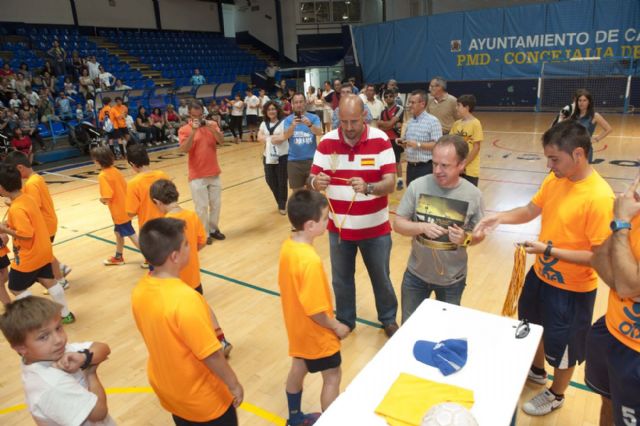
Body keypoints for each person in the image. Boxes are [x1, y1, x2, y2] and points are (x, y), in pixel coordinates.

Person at [473, 120, 615, 417]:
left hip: (572, 291)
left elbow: (599, 258)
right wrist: (498, 218)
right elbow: (529, 210)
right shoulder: (555, 180)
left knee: (564, 348)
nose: (549, 166)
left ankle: (556, 393)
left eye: (554, 159)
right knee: (533, 325)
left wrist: (548, 250)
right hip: (541, 276)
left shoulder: (599, 197)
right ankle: (537, 371)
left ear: (578, 154)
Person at [131, 217, 244, 425]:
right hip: (204, 401)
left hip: (172, 394)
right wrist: (233, 383)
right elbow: (211, 355)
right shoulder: (186, 300)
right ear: (175, 256)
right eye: (186, 244)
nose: (190, 245)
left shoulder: (139, 291)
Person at [309, 94, 399, 337]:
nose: (348, 128)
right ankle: (346, 319)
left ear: (365, 117)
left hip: (376, 230)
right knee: (341, 280)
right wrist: (317, 181)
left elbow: (391, 183)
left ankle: (388, 318)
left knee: (381, 277)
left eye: (354, 122)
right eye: (343, 122)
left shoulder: (380, 140)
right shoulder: (326, 142)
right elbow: (311, 179)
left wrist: (369, 187)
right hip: (338, 230)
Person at [394, 135, 485, 322]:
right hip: (415, 277)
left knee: (445, 333)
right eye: (434, 163)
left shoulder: (473, 195)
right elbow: (398, 224)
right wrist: (421, 226)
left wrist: (465, 239)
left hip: (452, 281)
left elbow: (479, 234)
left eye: (445, 165)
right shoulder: (417, 186)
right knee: (409, 329)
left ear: (461, 164)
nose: (437, 170)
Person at [279, 190, 351, 426]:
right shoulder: (309, 261)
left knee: (298, 368)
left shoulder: (288, 247)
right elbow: (316, 311)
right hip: (317, 334)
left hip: (297, 329)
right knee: (332, 376)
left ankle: (294, 418)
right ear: (310, 225)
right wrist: (336, 326)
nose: (328, 221)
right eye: (325, 218)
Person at [150, 179, 233, 356]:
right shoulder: (191, 216)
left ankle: (199, 347)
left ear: (157, 202)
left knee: (184, 317)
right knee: (202, 306)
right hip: (194, 276)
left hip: (175, 282)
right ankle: (221, 339)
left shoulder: (164, 225)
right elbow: (201, 242)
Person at [0, 296, 113, 425]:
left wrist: (84, 358)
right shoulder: (51, 384)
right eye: (43, 337)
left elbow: (103, 348)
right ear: (21, 348)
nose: (59, 340)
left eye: (58, 328)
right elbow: (99, 413)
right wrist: (91, 372)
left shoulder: (54, 352)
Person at [588, 176, 640, 426]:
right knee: (607, 403)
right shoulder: (635, 218)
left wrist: (621, 223)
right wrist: (625, 283)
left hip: (636, 354)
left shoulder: (626, 221)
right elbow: (598, 259)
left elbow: (629, 285)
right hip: (610, 330)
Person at [0, 163, 74, 323]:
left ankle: (40, 318)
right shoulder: (27, 198)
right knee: (49, 281)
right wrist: (10, 225)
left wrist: (5, 230)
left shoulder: (16, 208)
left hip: (29, 256)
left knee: (15, 287)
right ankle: (66, 314)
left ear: (2, 187)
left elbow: (26, 235)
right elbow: (28, 223)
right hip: (43, 251)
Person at [6, 151, 72, 291]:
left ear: (19, 168)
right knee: (46, 253)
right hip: (48, 221)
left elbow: (33, 205)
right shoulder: (37, 178)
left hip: (44, 224)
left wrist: (13, 203)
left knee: (45, 254)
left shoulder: (31, 184)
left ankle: (60, 279)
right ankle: (61, 269)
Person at [178, 101, 226, 245]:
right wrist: (193, 131)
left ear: (203, 113)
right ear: (190, 115)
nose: (198, 118)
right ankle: (204, 233)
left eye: (200, 115)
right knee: (201, 207)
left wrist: (210, 127)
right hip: (197, 174)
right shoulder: (184, 129)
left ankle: (213, 229)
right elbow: (184, 149)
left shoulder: (212, 124)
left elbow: (221, 141)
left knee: (216, 204)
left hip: (214, 171)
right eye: (194, 115)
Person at [91, 146, 140, 266]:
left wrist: (102, 200)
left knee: (131, 234)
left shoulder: (103, 175)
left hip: (119, 211)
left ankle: (151, 258)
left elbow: (107, 196)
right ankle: (119, 256)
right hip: (126, 206)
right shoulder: (115, 170)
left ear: (97, 161)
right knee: (118, 233)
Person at [125, 144, 171, 267]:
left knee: (156, 269)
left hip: (149, 231)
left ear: (132, 164)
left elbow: (131, 212)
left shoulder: (133, 184)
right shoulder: (162, 175)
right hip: (167, 226)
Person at [282, 93, 323, 192]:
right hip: (294, 161)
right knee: (297, 194)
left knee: (313, 192)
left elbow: (319, 132)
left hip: (312, 161)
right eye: (296, 102)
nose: (299, 104)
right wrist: (292, 126)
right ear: (292, 105)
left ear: (305, 103)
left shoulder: (313, 118)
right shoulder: (288, 120)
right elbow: (285, 136)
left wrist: (309, 125)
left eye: (301, 102)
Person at [401, 89, 443, 186]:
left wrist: (418, 145)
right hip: (410, 167)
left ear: (422, 104)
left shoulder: (433, 121)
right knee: (412, 197)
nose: (409, 105)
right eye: (409, 102)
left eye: (412, 102)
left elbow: (438, 145)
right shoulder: (410, 121)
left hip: (425, 168)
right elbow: (408, 143)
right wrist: (403, 142)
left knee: (424, 199)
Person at [258, 100, 288, 214]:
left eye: (273, 109)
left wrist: (268, 137)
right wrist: (272, 137)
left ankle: (282, 204)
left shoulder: (284, 122)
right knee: (270, 179)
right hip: (268, 156)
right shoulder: (263, 124)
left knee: (282, 181)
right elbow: (259, 137)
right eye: (269, 109)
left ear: (277, 110)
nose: (271, 111)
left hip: (282, 156)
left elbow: (283, 137)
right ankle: (280, 200)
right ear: (266, 111)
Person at [570, 88, 612, 164]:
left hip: (586, 150)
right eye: (579, 100)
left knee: (583, 175)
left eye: (584, 100)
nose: (581, 103)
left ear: (589, 102)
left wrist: (596, 139)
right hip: (572, 149)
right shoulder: (573, 115)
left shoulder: (594, 116)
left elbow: (608, 129)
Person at [449, 94, 483, 187]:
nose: (456, 108)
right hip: (456, 167)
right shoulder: (456, 124)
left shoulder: (476, 123)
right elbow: (451, 144)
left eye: (458, 105)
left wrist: (464, 165)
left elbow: (476, 147)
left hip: (470, 170)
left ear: (467, 107)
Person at [378, 89, 405, 190]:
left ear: (394, 97)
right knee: (385, 161)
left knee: (397, 161)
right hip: (385, 139)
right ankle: (388, 181)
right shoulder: (383, 112)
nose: (388, 98)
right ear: (384, 99)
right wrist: (390, 125)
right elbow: (380, 126)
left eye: (390, 96)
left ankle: (400, 181)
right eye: (386, 96)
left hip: (396, 138)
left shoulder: (400, 108)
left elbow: (386, 124)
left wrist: (385, 124)